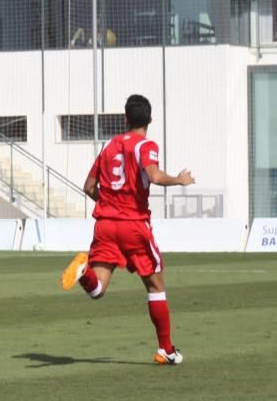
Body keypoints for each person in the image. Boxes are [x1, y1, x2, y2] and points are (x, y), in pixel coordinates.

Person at [61, 94, 195, 365]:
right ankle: (165, 350)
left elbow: (88, 187)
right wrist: (179, 180)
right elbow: (155, 176)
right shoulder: (146, 145)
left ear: (125, 118)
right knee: (156, 287)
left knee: (97, 290)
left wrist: (107, 204)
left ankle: (84, 273)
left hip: (105, 225)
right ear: (150, 120)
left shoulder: (109, 145)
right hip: (133, 225)